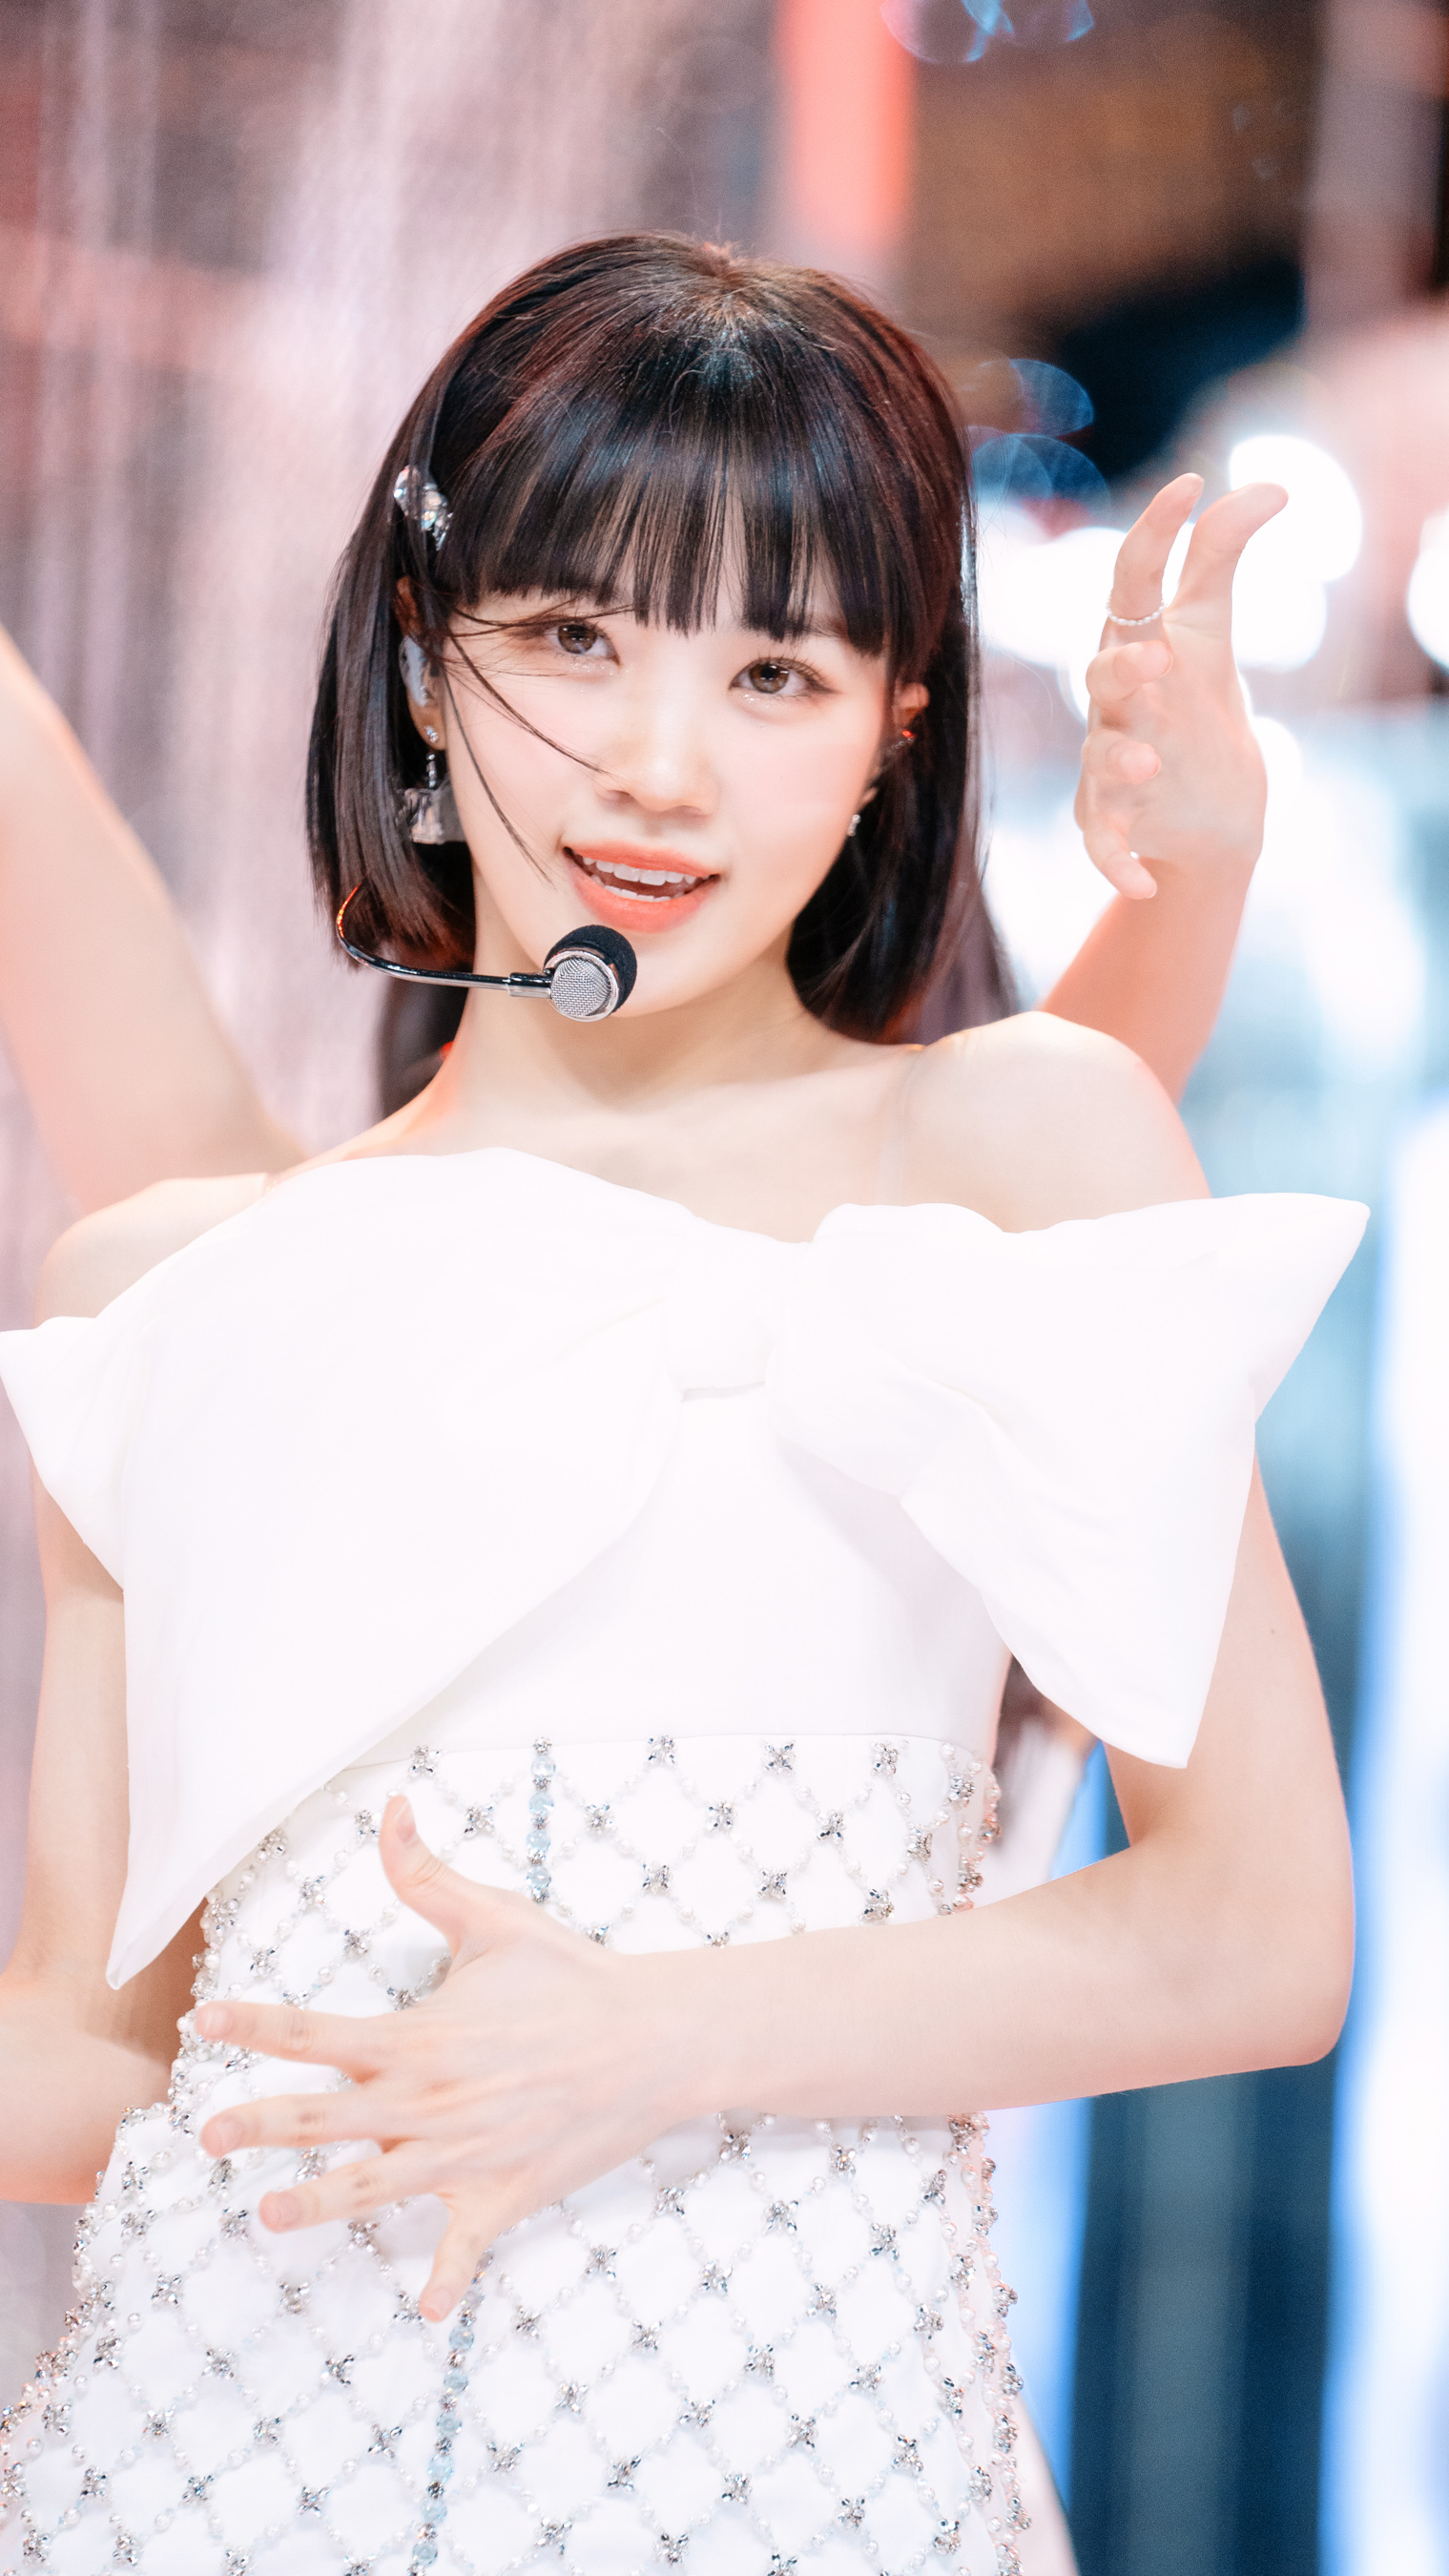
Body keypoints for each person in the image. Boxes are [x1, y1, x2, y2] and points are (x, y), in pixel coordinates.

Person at [0, 236, 1361, 2576]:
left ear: (894, 728)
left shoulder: (1006, 1149)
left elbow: (1255, 1935)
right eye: (570, 638)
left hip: (790, 2482)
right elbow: (94, 2059)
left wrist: (657, 2041)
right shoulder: (164, 1290)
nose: (655, 762)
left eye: (771, 670)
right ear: (421, 660)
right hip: (196, 2484)